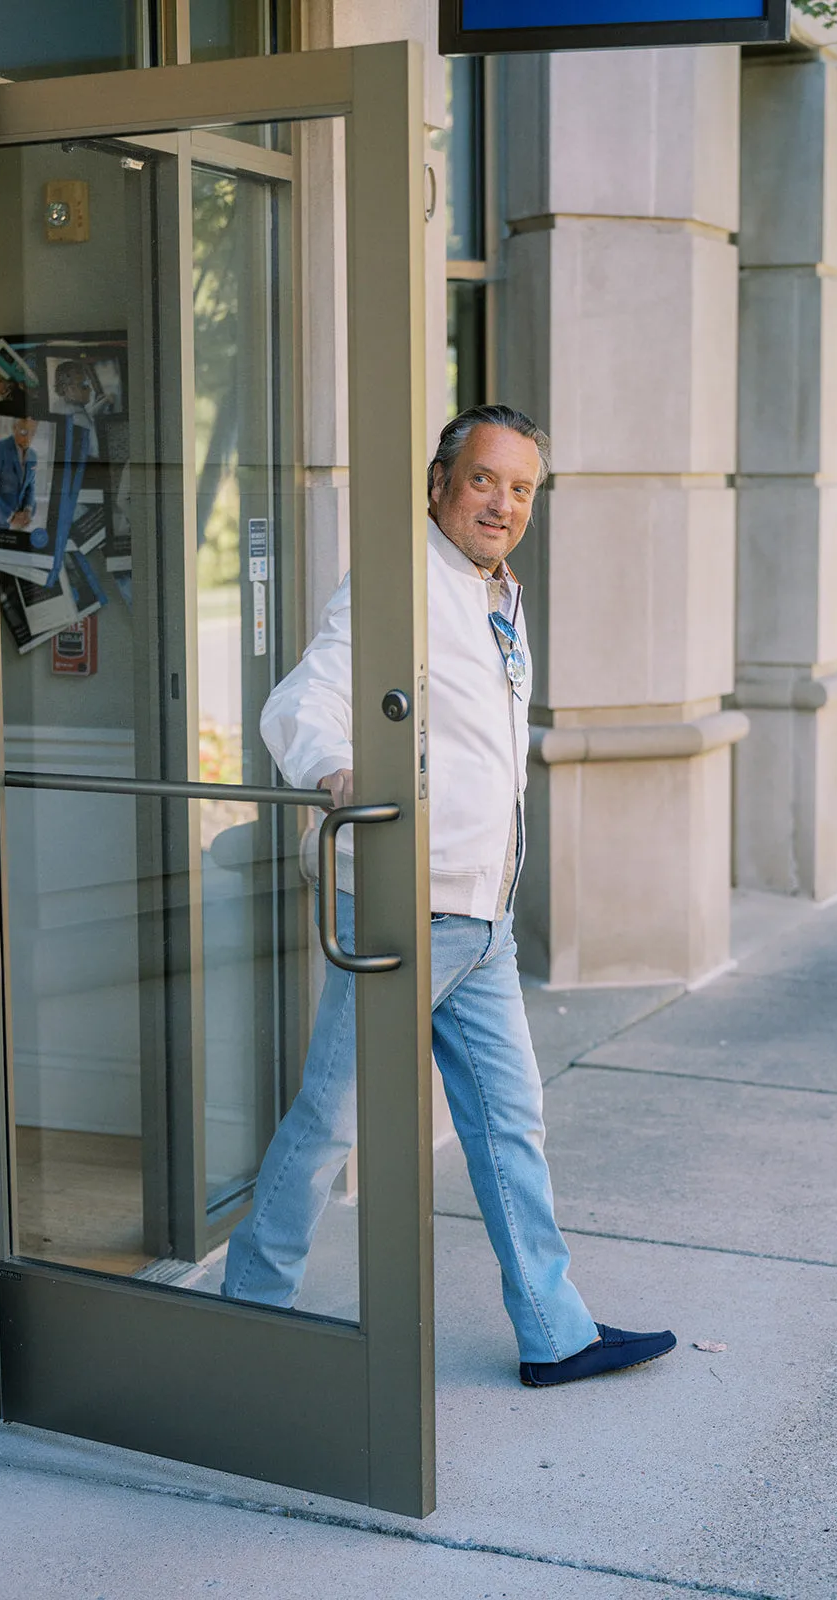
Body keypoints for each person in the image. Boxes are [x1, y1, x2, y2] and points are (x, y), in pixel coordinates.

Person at [223, 404, 676, 1387]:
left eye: (521, 488)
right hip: (405, 908)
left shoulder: (497, 595)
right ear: (441, 485)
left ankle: (556, 1333)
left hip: (483, 920)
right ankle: (250, 1320)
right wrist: (341, 770)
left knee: (511, 1123)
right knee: (329, 1124)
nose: (503, 503)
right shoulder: (400, 584)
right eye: (485, 480)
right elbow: (301, 701)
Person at [0, 416, 38, 531]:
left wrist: (28, 510)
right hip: (0, 522)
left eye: (32, 433)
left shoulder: (33, 456)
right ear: (14, 428)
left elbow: (31, 486)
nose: (28, 438)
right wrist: (11, 517)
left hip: (22, 523)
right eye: (24, 432)